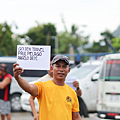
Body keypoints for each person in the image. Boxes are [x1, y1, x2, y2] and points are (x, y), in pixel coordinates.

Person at [13, 54, 82, 120]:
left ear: (68, 70)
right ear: (51, 68)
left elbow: (75, 117)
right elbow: (29, 88)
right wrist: (18, 78)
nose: (61, 69)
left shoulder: (72, 92)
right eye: (58, 66)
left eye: (64, 66)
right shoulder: (43, 86)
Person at [29, 55, 55, 120]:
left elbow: (77, 95)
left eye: (53, 65)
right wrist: (35, 113)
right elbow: (31, 98)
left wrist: (77, 88)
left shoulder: (64, 80)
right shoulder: (41, 81)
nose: (51, 67)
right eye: (49, 65)